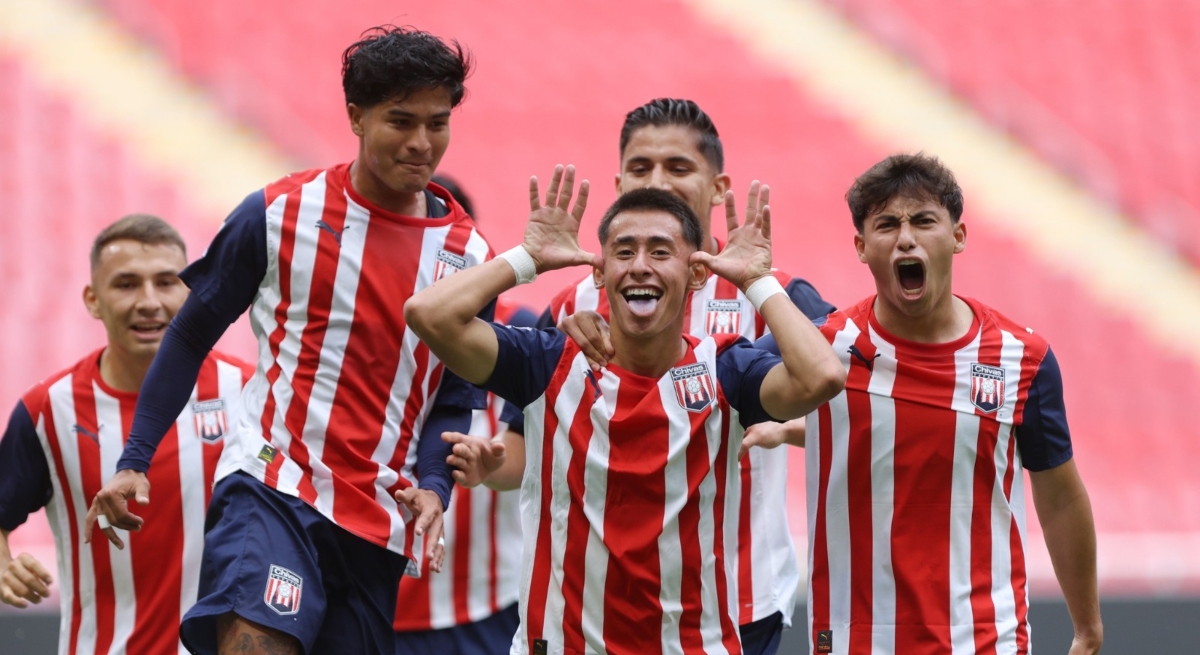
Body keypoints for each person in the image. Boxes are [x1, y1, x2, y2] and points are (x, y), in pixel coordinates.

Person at [84, 27, 489, 655]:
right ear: (356, 116)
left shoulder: (470, 259)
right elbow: (192, 330)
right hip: (275, 484)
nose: (420, 142)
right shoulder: (276, 214)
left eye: (437, 123)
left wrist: (435, 486)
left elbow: (455, 397)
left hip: (378, 520)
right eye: (400, 120)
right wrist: (135, 459)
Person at [404, 166, 845, 654]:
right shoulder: (548, 361)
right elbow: (428, 315)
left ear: (697, 273)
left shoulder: (725, 369)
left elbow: (821, 376)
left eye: (660, 252)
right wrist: (526, 259)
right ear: (599, 272)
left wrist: (758, 282)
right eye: (624, 252)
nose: (640, 266)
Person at [757, 153, 1103, 654]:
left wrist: (1088, 628)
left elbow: (1060, 498)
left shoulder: (1021, 359)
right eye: (886, 224)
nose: (905, 237)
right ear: (860, 246)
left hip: (984, 640)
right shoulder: (821, 350)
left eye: (923, 220)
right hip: (859, 642)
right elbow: (704, 376)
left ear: (958, 236)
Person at [540, 98, 835, 654]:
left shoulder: (778, 297)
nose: (658, 181)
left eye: (678, 168)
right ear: (619, 178)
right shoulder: (573, 304)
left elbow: (844, 390)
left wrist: (787, 430)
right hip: (605, 607)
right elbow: (523, 444)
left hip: (742, 598)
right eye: (641, 167)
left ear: (718, 186)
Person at [0, 215, 253, 655]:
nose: (149, 301)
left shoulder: (248, 393)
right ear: (93, 300)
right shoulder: (48, 409)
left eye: (166, 282)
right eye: (126, 284)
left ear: (191, 293)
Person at [393, 175, 531, 655]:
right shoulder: (354, 329)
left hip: (483, 609)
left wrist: (490, 465)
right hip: (371, 597)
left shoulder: (519, 329)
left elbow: (536, 447)